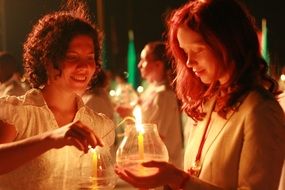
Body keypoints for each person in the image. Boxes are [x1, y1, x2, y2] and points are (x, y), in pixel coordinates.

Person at [115, 0, 285, 189]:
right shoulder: (210, 102)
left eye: (197, 50)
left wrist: (177, 178)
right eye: (185, 52)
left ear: (229, 43)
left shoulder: (261, 110)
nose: (189, 62)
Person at [0, 2, 115, 190]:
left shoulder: (99, 126)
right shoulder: (18, 114)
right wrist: (51, 138)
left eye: (90, 58)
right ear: (48, 60)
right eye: (72, 57)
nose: (84, 66)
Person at [118, 41, 183, 169]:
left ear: (158, 65)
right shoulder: (151, 90)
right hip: (148, 161)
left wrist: (130, 117)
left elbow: (157, 138)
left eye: (143, 60)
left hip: (165, 167)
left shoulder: (164, 95)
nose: (139, 64)